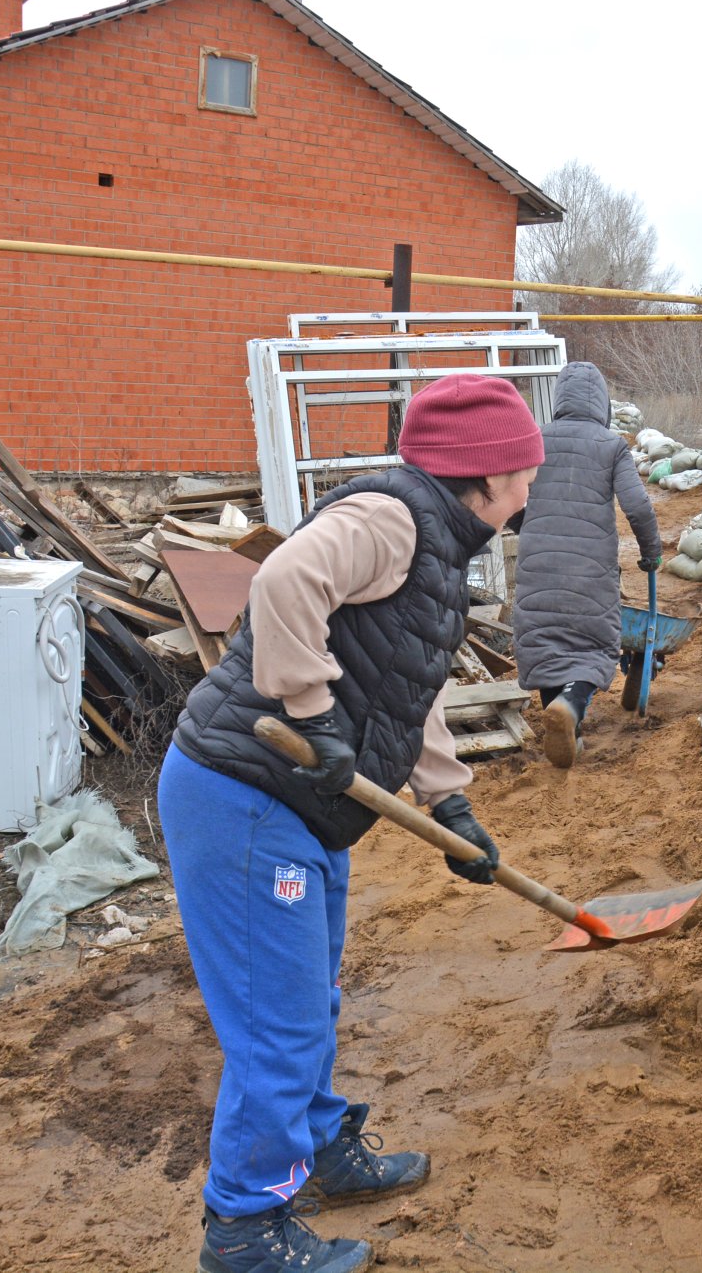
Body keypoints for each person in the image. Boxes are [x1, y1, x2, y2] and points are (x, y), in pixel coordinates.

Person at [157, 373, 544, 1273]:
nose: (529, 488)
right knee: (277, 1024)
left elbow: (411, 689)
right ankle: (245, 1230)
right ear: (482, 476)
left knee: (309, 1001)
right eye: (521, 471)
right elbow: (285, 579)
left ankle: (320, 1149)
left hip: (306, 809)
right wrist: (316, 714)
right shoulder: (392, 518)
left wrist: (448, 799)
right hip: (246, 794)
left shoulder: (440, 546)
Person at [511, 362, 661, 767]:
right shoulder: (611, 446)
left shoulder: (535, 439)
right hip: (590, 568)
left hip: (536, 563)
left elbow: (504, 493)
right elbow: (638, 507)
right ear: (602, 404)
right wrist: (651, 553)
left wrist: (529, 528)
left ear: (560, 399)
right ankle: (573, 704)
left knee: (544, 639)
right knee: (592, 641)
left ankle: (565, 728)